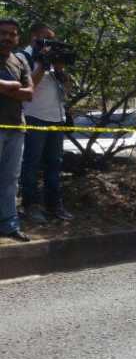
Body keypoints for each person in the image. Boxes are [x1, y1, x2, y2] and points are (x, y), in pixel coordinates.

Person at [19, 23, 74, 224]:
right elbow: (27, 88)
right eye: (46, 38)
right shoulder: (23, 57)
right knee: (32, 164)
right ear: (34, 36)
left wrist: (59, 70)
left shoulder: (53, 62)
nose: (50, 44)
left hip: (56, 119)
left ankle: (54, 205)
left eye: (52, 39)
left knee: (54, 164)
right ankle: (30, 205)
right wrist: (43, 63)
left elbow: (67, 90)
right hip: (34, 117)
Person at [0, 19, 33, 242]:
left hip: (16, 126)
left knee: (11, 178)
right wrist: (13, 87)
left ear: (18, 38)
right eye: (3, 33)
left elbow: (30, 93)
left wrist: (6, 87)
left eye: (12, 34)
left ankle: (9, 224)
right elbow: (21, 90)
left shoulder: (20, 60)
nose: (7, 37)